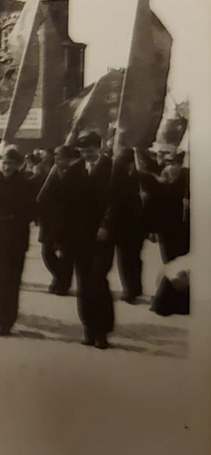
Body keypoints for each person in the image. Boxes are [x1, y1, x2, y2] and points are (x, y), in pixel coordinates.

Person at [0, 146, 37, 336]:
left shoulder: (25, 184)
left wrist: (2, 220)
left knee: (10, 281)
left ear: (19, 165)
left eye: (11, 163)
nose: (6, 166)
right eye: (4, 162)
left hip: (14, 239)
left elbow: (28, 214)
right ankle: (1, 306)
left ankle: (5, 321)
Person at [72, 131, 114, 349]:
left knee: (98, 281)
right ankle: (88, 328)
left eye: (90, 151)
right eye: (83, 151)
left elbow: (117, 201)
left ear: (99, 148)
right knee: (84, 284)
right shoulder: (75, 169)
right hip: (80, 237)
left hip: (102, 236)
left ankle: (102, 331)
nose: (86, 155)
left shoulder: (111, 169)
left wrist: (106, 225)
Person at [36, 146, 84, 296]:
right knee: (47, 253)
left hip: (68, 220)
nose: (57, 159)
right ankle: (60, 278)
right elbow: (41, 191)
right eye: (56, 156)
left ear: (69, 159)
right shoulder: (51, 171)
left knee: (66, 255)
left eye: (61, 157)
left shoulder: (78, 173)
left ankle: (61, 284)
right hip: (49, 219)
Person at [106, 148, 146, 304]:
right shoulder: (138, 175)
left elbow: (113, 202)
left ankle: (130, 290)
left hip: (123, 224)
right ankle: (134, 288)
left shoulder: (117, 176)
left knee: (126, 258)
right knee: (133, 258)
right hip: (134, 224)